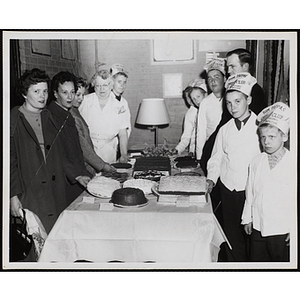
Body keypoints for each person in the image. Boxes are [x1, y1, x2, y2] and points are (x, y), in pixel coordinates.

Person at [206, 73, 261, 262]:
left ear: (249, 100)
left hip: (252, 192)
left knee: (253, 239)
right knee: (231, 239)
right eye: (229, 103)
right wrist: (211, 179)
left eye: (238, 101)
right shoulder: (225, 129)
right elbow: (216, 158)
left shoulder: (260, 128)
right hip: (228, 190)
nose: (233, 107)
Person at [10, 68, 69, 239]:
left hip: (54, 190)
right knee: (36, 241)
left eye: (45, 91)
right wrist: (13, 196)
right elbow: (9, 163)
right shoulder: (13, 120)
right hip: (30, 192)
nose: (42, 96)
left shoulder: (48, 117)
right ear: (24, 94)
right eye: (36, 91)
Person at [241, 102, 291, 262]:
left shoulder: (292, 162)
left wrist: (294, 228)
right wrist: (247, 218)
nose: (266, 142)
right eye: (263, 137)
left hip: (281, 228)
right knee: (257, 261)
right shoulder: (256, 161)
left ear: (284, 136)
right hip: (258, 225)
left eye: (271, 137)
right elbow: (250, 192)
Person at [48, 71, 91, 205]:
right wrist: (76, 176)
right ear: (55, 94)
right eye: (64, 92)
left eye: (72, 92)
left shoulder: (68, 113)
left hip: (79, 176)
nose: (70, 97)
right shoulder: (52, 117)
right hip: (67, 181)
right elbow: (57, 154)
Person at [79, 69, 131, 163]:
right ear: (93, 85)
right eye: (98, 85)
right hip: (88, 149)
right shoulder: (85, 101)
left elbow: (123, 133)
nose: (101, 89)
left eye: (105, 85)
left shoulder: (119, 105)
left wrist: (123, 154)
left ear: (111, 86)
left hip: (108, 150)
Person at [70, 77, 116, 176]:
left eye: (83, 95)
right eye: (78, 95)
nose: (81, 98)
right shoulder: (72, 115)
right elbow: (83, 145)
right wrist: (102, 165)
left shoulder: (75, 110)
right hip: (85, 162)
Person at [195, 58, 227, 163]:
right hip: (211, 148)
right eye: (209, 78)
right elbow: (201, 131)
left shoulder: (231, 99)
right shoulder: (205, 102)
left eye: (217, 77)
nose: (213, 81)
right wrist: (199, 157)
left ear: (225, 79)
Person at [226, 48, 267, 114]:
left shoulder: (256, 90)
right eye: (227, 67)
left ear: (245, 66)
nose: (228, 71)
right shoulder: (229, 88)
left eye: (232, 66)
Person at [175, 79, 207, 156]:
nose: (190, 102)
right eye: (189, 99)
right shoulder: (191, 112)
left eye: (197, 97)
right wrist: (178, 149)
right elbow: (186, 136)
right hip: (193, 152)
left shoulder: (211, 109)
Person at [110, 63, 132, 138]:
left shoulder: (124, 102)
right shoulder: (107, 100)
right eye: (119, 82)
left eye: (124, 82)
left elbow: (127, 125)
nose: (122, 85)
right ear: (112, 82)